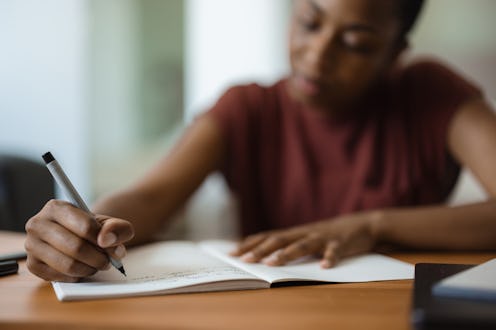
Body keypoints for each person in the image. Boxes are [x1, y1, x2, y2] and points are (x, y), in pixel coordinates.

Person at [25, 0, 496, 282]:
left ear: (395, 54)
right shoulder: (248, 107)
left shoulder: (433, 94)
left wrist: (371, 226)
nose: (317, 55)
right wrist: (88, 229)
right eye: (310, 22)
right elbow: (151, 196)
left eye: (355, 43)